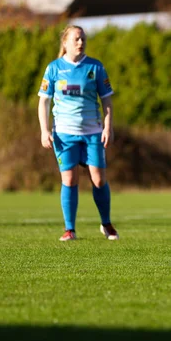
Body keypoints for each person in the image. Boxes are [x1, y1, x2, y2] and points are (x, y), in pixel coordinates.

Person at [38, 25, 119, 241]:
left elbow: (107, 100)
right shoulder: (54, 68)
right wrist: (45, 130)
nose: (80, 42)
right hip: (64, 134)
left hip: (93, 132)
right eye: (76, 39)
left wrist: (108, 127)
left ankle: (106, 224)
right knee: (70, 180)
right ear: (65, 42)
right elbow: (43, 101)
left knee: (99, 180)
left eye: (83, 38)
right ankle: (69, 229)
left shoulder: (95, 67)